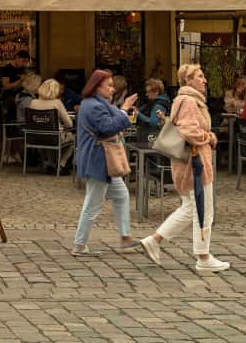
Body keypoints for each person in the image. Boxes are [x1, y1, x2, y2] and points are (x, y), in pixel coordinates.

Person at [138, 62, 229, 273]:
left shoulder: (184, 99)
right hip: (194, 164)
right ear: (188, 80)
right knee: (204, 211)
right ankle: (203, 257)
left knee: (190, 207)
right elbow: (189, 131)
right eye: (200, 76)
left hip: (187, 163)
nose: (204, 80)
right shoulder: (189, 101)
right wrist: (209, 137)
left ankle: (154, 240)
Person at [71, 69, 140, 255]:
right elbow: (108, 127)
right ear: (96, 86)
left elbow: (112, 121)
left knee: (121, 195)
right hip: (98, 160)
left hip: (102, 160)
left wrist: (124, 113)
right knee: (92, 204)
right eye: (108, 85)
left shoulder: (95, 103)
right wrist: (124, 110)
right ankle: (79, 244)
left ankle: (126, 238)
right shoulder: (93, 106)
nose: (112, 89)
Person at [27, 78, 75, 172]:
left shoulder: (33, 102)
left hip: (35, 137)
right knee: (73, 138)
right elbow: (69, 124)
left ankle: (50, 162)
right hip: (54, 137)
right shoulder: (57, 103)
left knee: (47, 135)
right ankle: (62, 164)